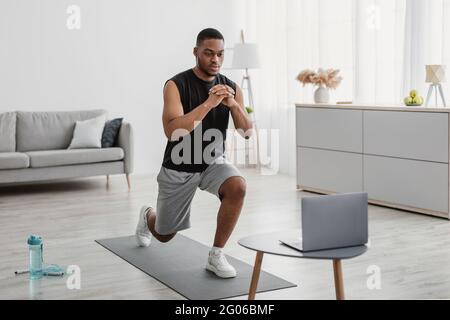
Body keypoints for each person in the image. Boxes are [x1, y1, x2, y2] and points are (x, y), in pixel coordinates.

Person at [135, 28, 253, 278]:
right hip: (179, 165)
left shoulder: (230, 88)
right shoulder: (175, 85)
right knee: (165, 235)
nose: (215, 60)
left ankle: (216, 255)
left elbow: (247, 132)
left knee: (238, 186)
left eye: (220, 54)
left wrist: (232, 104)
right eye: (209, 53)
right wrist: (209, 103)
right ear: (196, 52)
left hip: (213, 162)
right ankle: (148, 216)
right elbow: (172, 131)